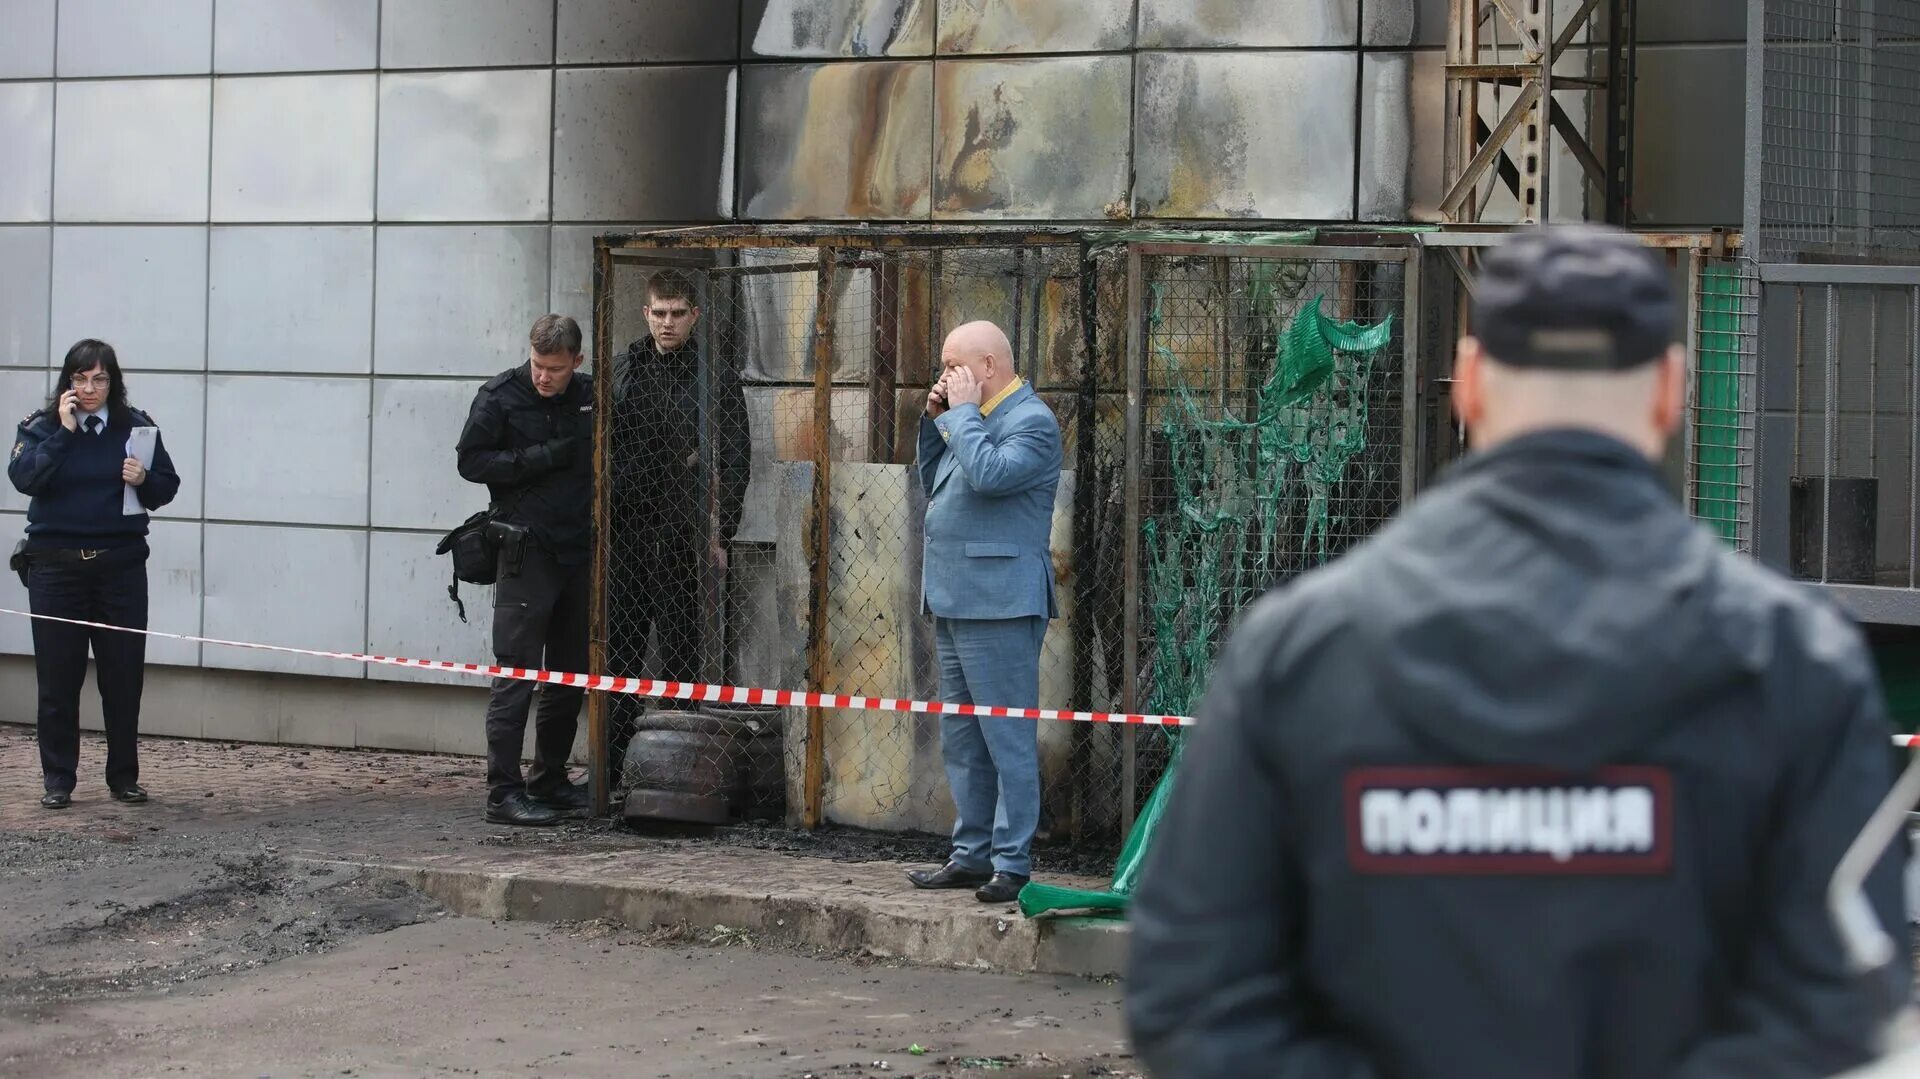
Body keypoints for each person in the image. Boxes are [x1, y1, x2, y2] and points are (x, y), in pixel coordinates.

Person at [1126, 225, 1912, 1078]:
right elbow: (1840, 1006)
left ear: (1467, 384)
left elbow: (1192, 996)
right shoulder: (1792, 662)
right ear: (1672, 391)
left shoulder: (1301, 652)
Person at [905, 321, 1063, 905]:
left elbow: (990, 476)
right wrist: (934, 420)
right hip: (953, 596)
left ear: (989, 367)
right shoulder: (969, 417)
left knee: (1006, 736)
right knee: (963, 737)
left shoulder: (1032, 422)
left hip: (999, 602)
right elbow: (937, 482)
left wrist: (962, 415)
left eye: (954, 365)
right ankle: (970, 855)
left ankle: (1012, 861)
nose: (945, 375)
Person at [8, 339, 180, 809]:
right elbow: (25, 479)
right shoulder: (42, 428)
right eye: (80, 379)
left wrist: (144, 480)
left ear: (113, 383)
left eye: (99, 379)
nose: (89, 388)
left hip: (119, 570)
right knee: (58, 679)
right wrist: (64, 433)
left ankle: (123, 776)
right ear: (67, 382)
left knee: (123, 677)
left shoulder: (136, 428)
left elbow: (168, 486)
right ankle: (58, 780)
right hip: (55, 570)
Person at [606, 270, 750, 777]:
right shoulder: (624, 370)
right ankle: (612, 764)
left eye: (676, 313)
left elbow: (735, 457)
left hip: (684, 534)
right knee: (619, 649)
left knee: (681, 648)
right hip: (626, 529)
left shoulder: (714, 376)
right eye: (659, 313)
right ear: (646, 313)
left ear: (694, 315)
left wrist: (719, 531)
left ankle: (677, 763)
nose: (667, 323)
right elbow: (606, 449)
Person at [456, 314, 594, 827]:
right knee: (515, 673)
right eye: (538, 365)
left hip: (577, 553)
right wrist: (540, 458)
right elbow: (471, 461)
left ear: (576, 362)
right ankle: (503, 793)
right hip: (525, 552)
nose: (544, 377)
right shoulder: (500, 397)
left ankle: (550, 778)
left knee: (568, 673)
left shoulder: (589, 396)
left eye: (555, 369)